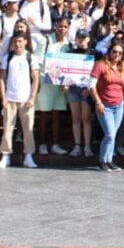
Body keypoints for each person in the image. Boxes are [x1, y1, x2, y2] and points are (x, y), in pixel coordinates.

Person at [0, 32, 40, 169]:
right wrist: (3, 97)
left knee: (28, 129)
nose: (18, 44)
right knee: (7, 129)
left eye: (20, 41)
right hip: (10, 98)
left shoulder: (31, 57)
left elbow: (35, 79)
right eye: (15, 41)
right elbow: (2, 78)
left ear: (25, 42)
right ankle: (5, 155)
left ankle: (28, 156)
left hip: (26, 98)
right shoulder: (7, 58)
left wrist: (32, 97)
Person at [89, 42, 124, 172]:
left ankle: (109, 160)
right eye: (114, 51)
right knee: (110, 134)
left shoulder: (122, 67)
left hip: (119, 105)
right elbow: (91, 86)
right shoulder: (100, 65)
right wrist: (98, 102)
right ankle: (102, 161)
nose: (117, 55)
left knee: (113, 134)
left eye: (120, 53)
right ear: (109, 52)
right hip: (105, 105)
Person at [36, 18, 72, 156]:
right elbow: (38, 61)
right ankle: (42, 144)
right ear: (55, 26)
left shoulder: (68, 44)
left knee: (57, 113)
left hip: (60, 85)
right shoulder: (45, 40)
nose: (62, 29)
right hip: (45, 82)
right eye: (60, 26)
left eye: (65, 26)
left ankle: (55, 144)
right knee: (44, 114)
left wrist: (67, 83)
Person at [64, 29, 95, 157]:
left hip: (86, 89)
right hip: (73, 88)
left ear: (88, 39)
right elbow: (65, 70)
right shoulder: (71, 53)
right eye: (80, 38)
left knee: (86, 118)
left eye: (84, 37)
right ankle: (77, 145)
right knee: (75, 118)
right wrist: (64, 83)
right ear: (76, 39)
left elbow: (96, 73)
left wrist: (89, 88)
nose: (82, 40)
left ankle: (87, 146)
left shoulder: (94, 53)